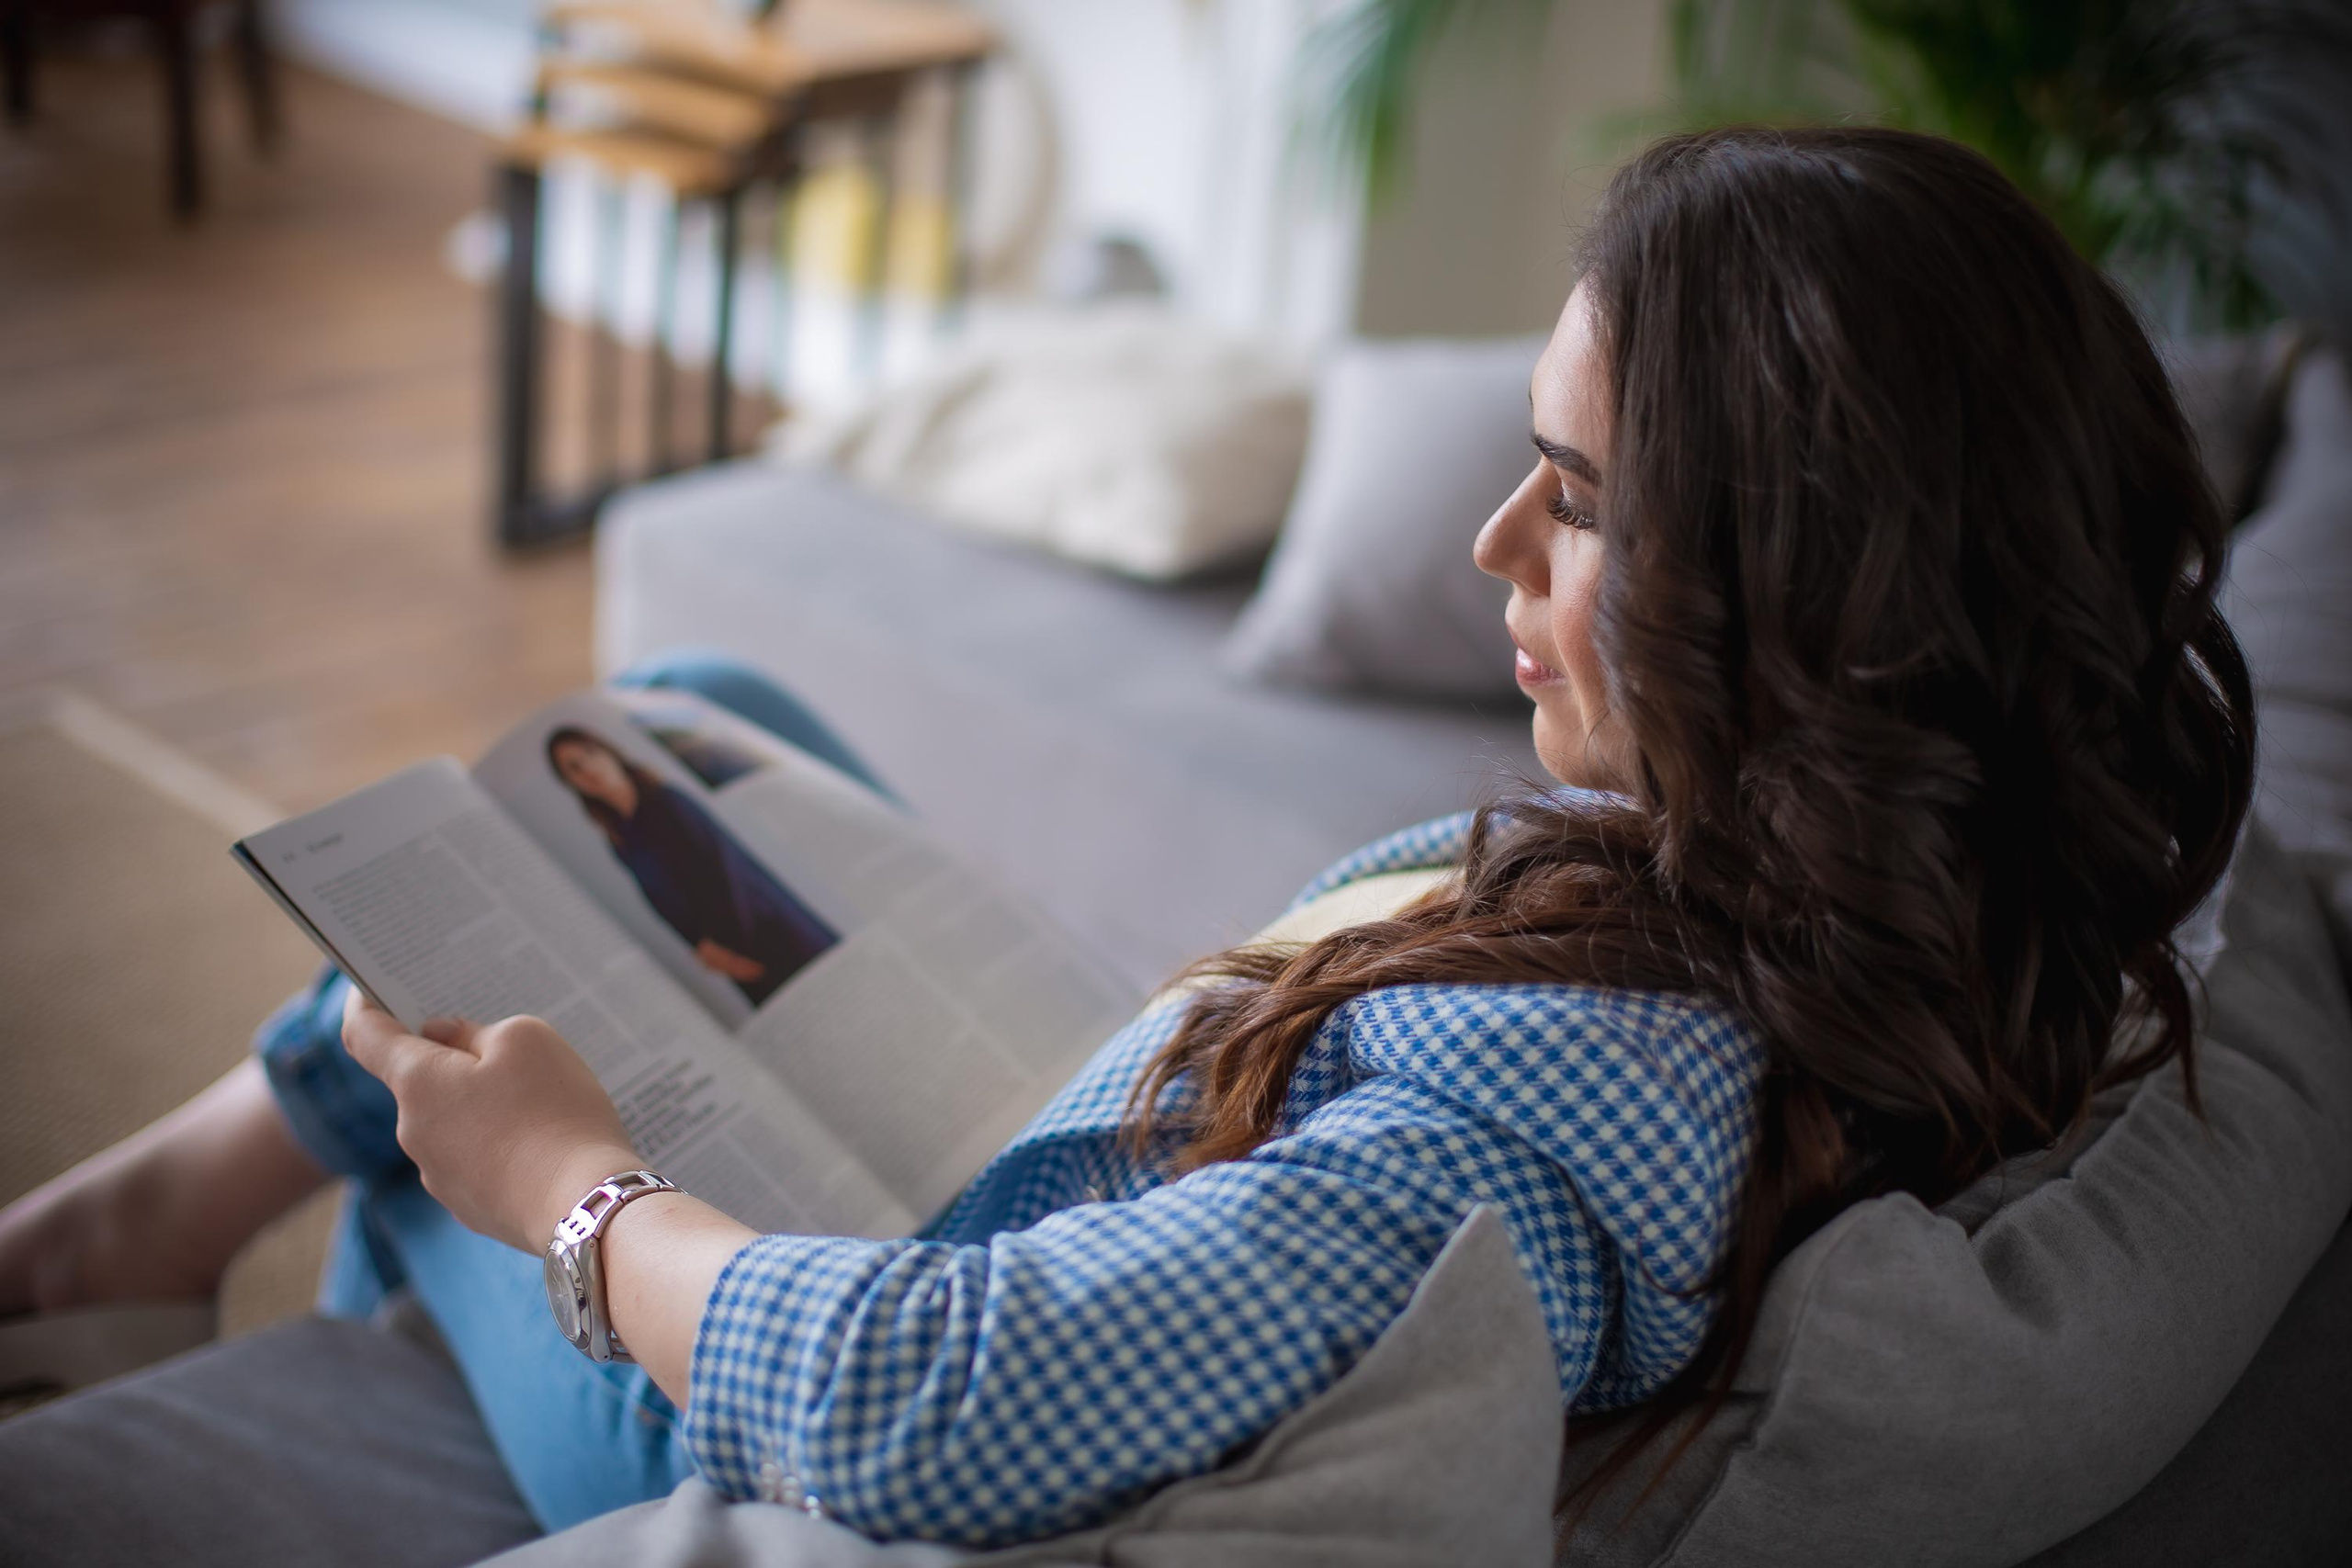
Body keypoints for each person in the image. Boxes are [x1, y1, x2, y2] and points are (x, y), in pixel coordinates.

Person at [0, 125, 2253, 1551]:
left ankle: (151, 1225)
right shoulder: (1868, 916)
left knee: (487, 968)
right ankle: (161, 1213)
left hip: (732, 1378)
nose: (1486, 541)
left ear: (1813, 618)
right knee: (696, 733)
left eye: (1572, 505)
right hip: (1041, 1162)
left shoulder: (1532, 1145)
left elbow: (925, 1398)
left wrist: (565, 1194)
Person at [543, 726, 837, 1008]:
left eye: (590, 754)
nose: (588, 770)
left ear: (608, 752)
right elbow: (661, 904)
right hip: (730, 957)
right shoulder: (620, 839)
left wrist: (727, 949)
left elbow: (725, 874)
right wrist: (701, 948)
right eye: (574, 768)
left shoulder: (666, 802)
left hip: (768, 930)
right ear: (571, 784)